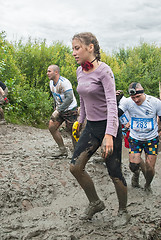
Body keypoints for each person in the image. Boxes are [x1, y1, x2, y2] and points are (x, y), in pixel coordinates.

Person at [70, 32, 130, 227]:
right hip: (92, 127)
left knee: (114, 172)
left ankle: (123, 211)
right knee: (75, 167)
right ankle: (95, 202)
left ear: (90, 47)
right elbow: (83, 98)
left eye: (77, 48)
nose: (73, 53)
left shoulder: (105, 71)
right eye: (73, 49)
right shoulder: (80, 71)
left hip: (108, 126)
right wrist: (80, 121)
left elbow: (112, 104)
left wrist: (110, 135)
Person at [118, 82, 161, 192]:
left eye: (138, 97)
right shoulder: (128, 102)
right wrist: (115, 101)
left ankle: (147, 184)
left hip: (151, 139)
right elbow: (117, 113)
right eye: (133, 97)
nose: (136, 100)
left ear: (143, 93)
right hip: (135, 138)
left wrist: (159, 133)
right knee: (133, 166)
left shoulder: (155, 102)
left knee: (149, 168)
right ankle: (136, 175)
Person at [47, 65, 78, 158]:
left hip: (70, 110)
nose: (47, 73)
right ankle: (62, 150)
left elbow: (69, 98)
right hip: (60, 110)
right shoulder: (51, 83)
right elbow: (55, 97)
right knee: (51, 127)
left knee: (73, 132)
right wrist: (55, 109)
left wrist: (58, 110)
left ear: (56, 72)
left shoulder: (64, 83)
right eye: (47, 71)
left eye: (49, 71)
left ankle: (78, 154)